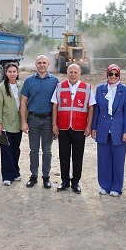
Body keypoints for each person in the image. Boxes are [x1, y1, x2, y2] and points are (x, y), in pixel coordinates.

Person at [52, 64, 95, 194]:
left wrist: (89, 126)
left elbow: (91, 107)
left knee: (77, 157)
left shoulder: (87, 88)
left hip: (79, 128)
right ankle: (64, 181)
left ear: (80, 73)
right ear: (67, 73)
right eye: (71, 72)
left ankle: (75, 182)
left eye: (76, 72)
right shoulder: (59, 87)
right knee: (63, 156)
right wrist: (54, 124)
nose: (73, 74)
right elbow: (55, 106)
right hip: (63, 127)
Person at [91, 64, 126, 196]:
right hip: (103, 128)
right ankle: (104, 185)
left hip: (119, 129)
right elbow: (96, 110)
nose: (113, 77)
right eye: (111, 74)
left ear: (119, 75)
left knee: (118, 160)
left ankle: (116, 187)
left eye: (116, 74)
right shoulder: (100, 89)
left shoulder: (125, 90)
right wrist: (94, 128)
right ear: (107, 75)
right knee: (104, 159)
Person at [20, 55, 59, 189]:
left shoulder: (55, 81)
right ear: (35, 65)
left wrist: (56, 124)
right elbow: (23, 102)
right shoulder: (29, 81)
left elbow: (58, 104)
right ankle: (34, 176)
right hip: (33, 119)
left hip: (48, 120)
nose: (41, 65)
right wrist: (23, 122)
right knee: (34, 150)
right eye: (39, 63)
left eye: (44, 63)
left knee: (47, 150)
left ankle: (46, 177)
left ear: (48, 64)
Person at [0, 63, 23, 186]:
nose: (12, 73)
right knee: (6, 149)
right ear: (5, 73)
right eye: (10, 71)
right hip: (6, 123)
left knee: (15, 149)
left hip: (18, 122)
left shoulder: (21, 86)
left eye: (14, 71)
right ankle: (7, 175)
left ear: (17, 73)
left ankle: (15, 172)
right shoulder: (1, 87)